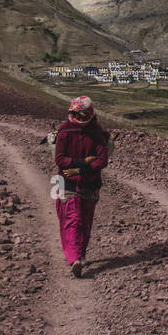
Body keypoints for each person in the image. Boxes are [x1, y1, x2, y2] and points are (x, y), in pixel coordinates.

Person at [53, 95, 110, 277]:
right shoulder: (64, 132)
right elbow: (60, 159)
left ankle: (80, 253)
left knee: (85, 221)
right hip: (68, 184)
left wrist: (78, 169)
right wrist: (85, 161)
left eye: (85, 115)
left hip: (89, 184)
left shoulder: (97, 133)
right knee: (73, 219)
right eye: (80, 115)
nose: (82, 119)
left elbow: (102, 160)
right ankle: (75, 258)